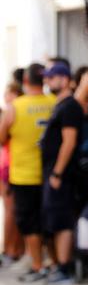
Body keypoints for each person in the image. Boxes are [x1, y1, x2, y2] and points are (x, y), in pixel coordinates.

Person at [0, 64, 55, 281]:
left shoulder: (15, 107)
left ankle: (37, 264)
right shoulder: (54, 103)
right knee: (47, 219)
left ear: (25, 82)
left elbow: (2, 137)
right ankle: (52, 262)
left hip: (23, 174)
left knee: (29, 221)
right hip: (49, 173)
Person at [40, 62, 84, 285]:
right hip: (52, 173)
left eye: (52, 77)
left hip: (62, 176)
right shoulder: (60, 105)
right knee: (52, 221)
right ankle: (58, 266)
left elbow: (69, 142)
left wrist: (57, 173)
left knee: (62, 221)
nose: (47, 81)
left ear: (65, 79)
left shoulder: (70, 107)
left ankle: (64, 269)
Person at [0, 80, 25, 265]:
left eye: (11, 93)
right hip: (7, 166)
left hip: (14, 165)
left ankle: (16, 249)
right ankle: (9, 249)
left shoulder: (14, 112)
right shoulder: (7, 114)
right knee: (11, 209)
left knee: (15, 210)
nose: (7, 97)